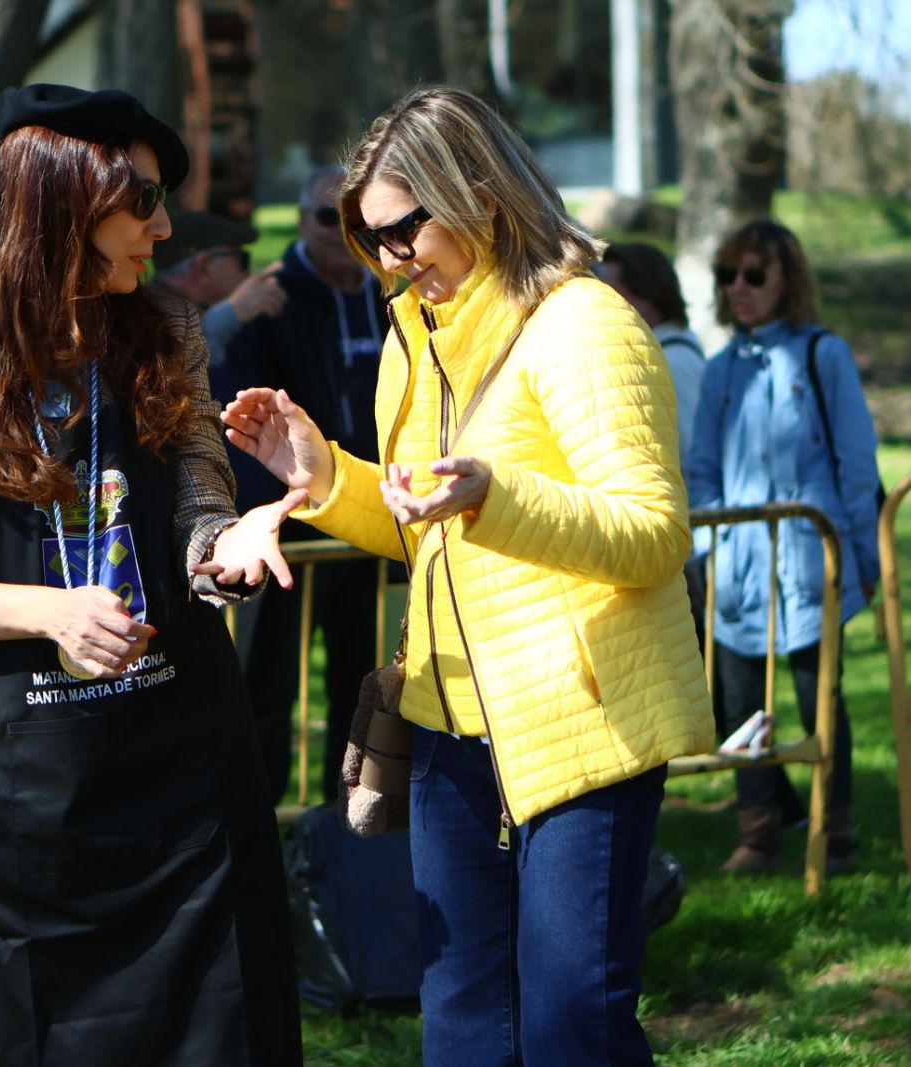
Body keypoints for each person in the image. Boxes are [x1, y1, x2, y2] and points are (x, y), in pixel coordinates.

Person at [222, 86, 713, 1066]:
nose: (392, 261)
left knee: (575, 1028)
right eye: (372, 241)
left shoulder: (585, 323)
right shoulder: (414, 340)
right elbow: (423, 531)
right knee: (461, 1025)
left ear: (481, 194)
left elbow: (653, 535)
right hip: (448, 731)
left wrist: (495, 494)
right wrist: (323, 478)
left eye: (404, 229)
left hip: (585, 731)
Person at [0, 83, 302, 1065]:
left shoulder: (170, 330)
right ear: (62, 198)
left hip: (182, 757)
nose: (167, 226)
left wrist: (223, 554)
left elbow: (196, 506)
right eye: (141, 201)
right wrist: (52, 610)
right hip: (19, 792)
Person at [687, 219, 880, 875]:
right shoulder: (719, 371)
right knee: (742, 704)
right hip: (738, 566)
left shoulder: (824, 354)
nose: (738, 288)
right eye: (727, 275)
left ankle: (836, 827)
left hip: (810, 558)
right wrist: (710, 547)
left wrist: (864, 559)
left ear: (785, 280)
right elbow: (701, 469)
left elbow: (857, 465)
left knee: (818, 695)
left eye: (754, 275)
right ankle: (759, 829)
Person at [225, 164, 387, 803]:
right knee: (267, 685)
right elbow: (239, 422)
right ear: (300, 221)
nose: (342, 234)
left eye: (357, 222)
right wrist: (266, 513)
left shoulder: (393, 293)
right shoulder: (268, 299)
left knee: (367, 684)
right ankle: (263, 830)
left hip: (374, 520)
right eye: (327, 218)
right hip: (287, 533)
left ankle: (348, 826)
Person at [598, 242, 706, 461]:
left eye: (613, 294)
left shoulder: (675, 362)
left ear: (646, 296)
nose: (601, 304)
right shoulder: (664, 353)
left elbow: (692, 454)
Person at [149, 208, 286, 367]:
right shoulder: (147, 316)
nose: (249, 272)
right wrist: (232, 311)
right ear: (203, 267)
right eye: (242, 259)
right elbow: (173, 363)